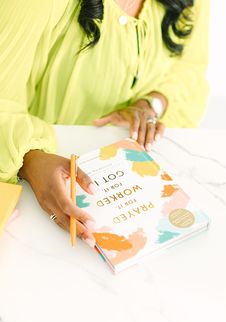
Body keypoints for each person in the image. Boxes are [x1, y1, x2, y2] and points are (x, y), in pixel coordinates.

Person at [0, 0, 209, 247]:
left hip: (134, 192)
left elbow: (189, 69)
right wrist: (30, 159)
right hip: (32, 199)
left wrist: (152, 103)